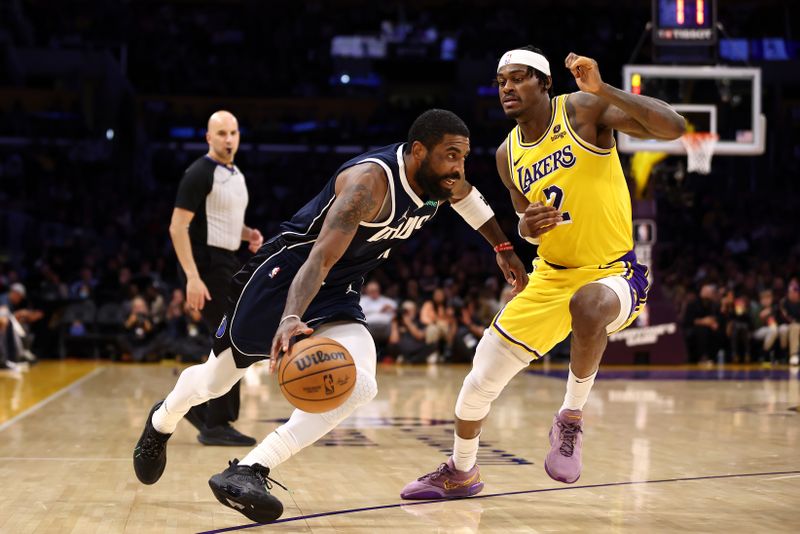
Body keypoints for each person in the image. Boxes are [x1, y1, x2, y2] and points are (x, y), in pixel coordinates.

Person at [133, 109, 528, 523]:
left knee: (361, 383)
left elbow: (467, 198)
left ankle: (250, 470)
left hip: (338, 290)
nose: (458, 168)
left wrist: (503, 250)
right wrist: (289, 318)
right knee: (215, 381)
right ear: (417, 151)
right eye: (450, 156)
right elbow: (319, 259)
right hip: (284, 278)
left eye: (462, 158)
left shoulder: (439, 180)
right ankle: (162, 420)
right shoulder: (369, 186)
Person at [401, 46, 685, 499]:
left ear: (544, 83)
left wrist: (603, 88)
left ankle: (569, 419)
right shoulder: (506, 155)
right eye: (501, 82)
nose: (507, 89)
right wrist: (524, 228)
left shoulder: (582, 110)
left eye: (518, 79)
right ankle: (462, 471)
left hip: (613, 271)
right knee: (479, 381)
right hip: (550, 275)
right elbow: (527, 225)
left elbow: (674, 127)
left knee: (589, 305)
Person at [169, 110, 263, 446]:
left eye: (233, 133)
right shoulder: (199, 172)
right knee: (233, 337)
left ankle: (201, 411)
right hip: (205, 265)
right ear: (208, 138)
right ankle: (215, 421)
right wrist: (192, 277)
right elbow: (178, 226)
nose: (228, 139)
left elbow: (221, 221)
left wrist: (247, 233)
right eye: (221, 133)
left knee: (231, 337)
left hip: (227, 260)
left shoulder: (234, 173)